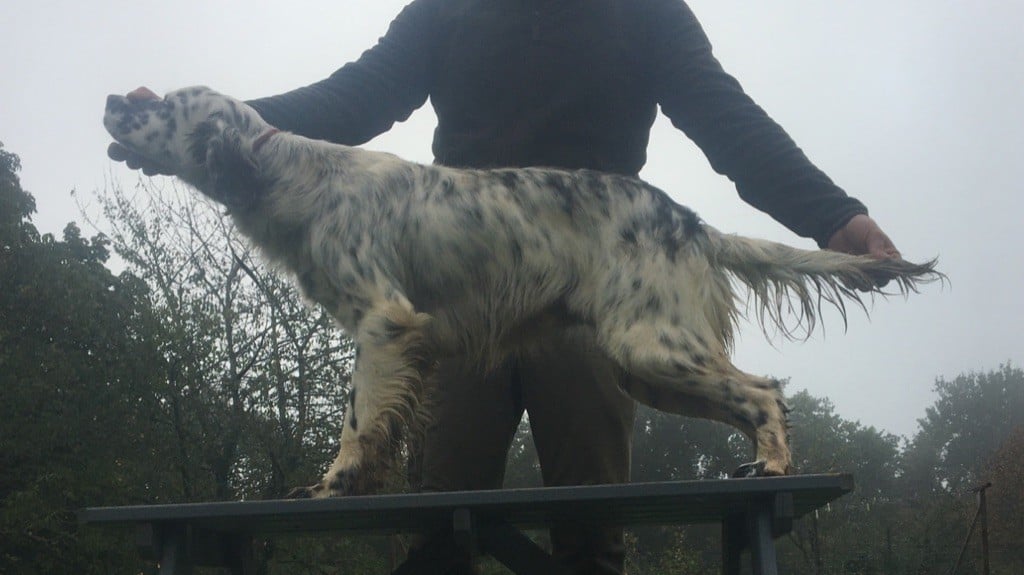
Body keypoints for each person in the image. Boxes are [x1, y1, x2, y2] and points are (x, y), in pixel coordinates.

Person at [109, 0, 901, 572]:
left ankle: (760, 428)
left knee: (591, 539)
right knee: (438, 531)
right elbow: (353, 97)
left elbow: (729, 121)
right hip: (459, 283)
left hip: (599, 261)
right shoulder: (445, 9)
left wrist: (836, 218)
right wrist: (196, 128)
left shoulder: (646, 11)